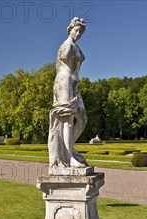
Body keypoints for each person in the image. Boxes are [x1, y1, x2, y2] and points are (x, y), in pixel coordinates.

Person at [48, 17, 88, 170]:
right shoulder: (66, 46)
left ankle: (68, 149)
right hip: (64, 82)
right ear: (70, 29)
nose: (78, 33)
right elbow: (65, 58)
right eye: (76, 30)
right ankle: (68, 157)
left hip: (73, 84)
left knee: (83, 118)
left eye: (81, 32)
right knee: (68, 120)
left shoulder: (76, 47)